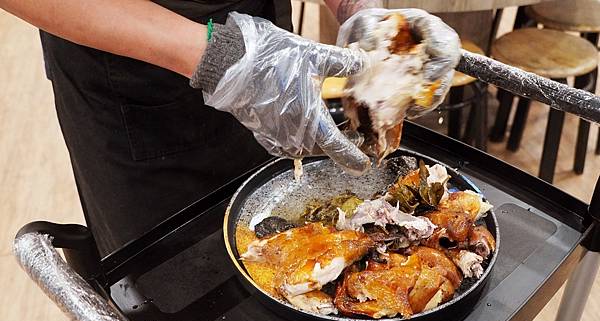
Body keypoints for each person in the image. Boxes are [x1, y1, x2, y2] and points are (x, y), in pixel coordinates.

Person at [0, 0, 459, 255]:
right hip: (134, 67)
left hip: (266, 39)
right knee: (178, 304)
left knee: (292, 250)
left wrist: (359, 7)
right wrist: (214, 56)